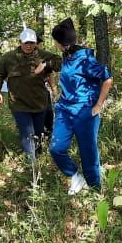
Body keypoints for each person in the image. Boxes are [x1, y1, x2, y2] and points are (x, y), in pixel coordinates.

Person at [47, 18, 113, 195]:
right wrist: (61, 93)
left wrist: (99, 105)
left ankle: (95, 190)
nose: (54, 44)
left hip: (85, 112)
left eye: (55, 41)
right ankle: (76, 176)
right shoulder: (67, 56)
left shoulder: (85, 60)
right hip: (64, 110)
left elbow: (107, 78)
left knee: (88, 153)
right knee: (56, 148)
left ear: (62, 43)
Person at [0, 28, 62, 183]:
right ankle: (31, 167)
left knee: (38, 134)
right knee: (28, 135)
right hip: (19, 104)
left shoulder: (42, 55)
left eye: (32, 43)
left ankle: (37, 158)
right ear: (20, 43)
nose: (29, 46)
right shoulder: (9, 58)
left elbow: (60, 62)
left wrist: (45, 64)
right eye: (26, 43)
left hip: (39, 103)